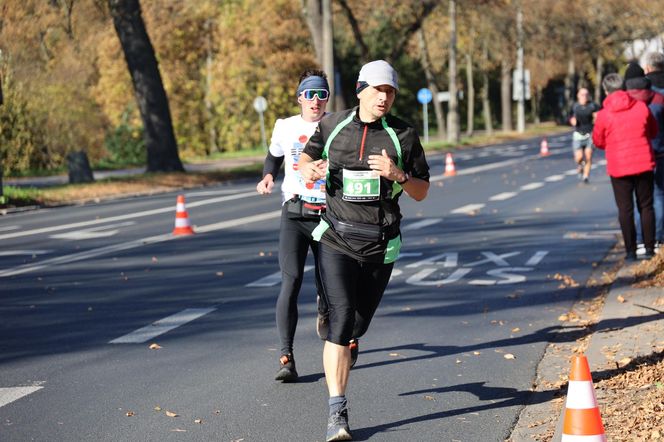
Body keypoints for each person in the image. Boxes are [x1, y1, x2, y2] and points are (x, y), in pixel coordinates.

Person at [299, 60, 430, 441]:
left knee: (357, 326)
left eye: (390, 91)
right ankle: (337, 414)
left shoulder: (403, 135)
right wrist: (309, 170)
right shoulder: (333, 124)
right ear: (360, 90)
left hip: (381, 243)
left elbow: (422, 191)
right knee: (340, 325)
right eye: (377, 90)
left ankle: (339, 322)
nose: (384, 98)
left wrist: (398, 175)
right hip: (337, 236)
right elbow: (307, 158)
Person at [256, 69, 330, 382]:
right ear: (300, 97)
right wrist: (269, 175)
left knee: (333, 285)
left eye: (321, 94)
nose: (315, 100)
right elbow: (273, 156)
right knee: (291, 280)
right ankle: (286, 356)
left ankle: (341, 330)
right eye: (310, 94)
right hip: (295, 213)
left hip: (331, 215)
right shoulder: (286, 127)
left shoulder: (338, 125)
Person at [592, 73, 659, 261]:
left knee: (625, 209)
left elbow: (598, 140)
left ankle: (630, 251)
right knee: (646, 206)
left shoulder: (604, 115)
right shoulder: (641, 107)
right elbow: (653, 131)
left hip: (618, 166)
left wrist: (612, 145)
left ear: (606, 91)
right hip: (644, 162)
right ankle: (649, 248)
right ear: (624, 88)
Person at [623, 62, 664, 253]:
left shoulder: (625, 101)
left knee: (631, 204)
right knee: (654, 198)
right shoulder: (657, 99)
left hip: (629, 156)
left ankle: (637, 243)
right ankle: (655, 240)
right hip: (659, 151)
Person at [569, 88, 600, 183]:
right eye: (582, 95)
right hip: (578, 133)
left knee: (588, 155)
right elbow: (570, 117)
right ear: (578, 96)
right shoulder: (575, 106)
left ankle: (585, 176)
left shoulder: (593, 106)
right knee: (578, 157)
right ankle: (580, 164)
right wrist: (572, 121)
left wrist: (596, 118)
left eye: (586, 94)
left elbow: (598, 116)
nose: (584, 97)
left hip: (590, 133)